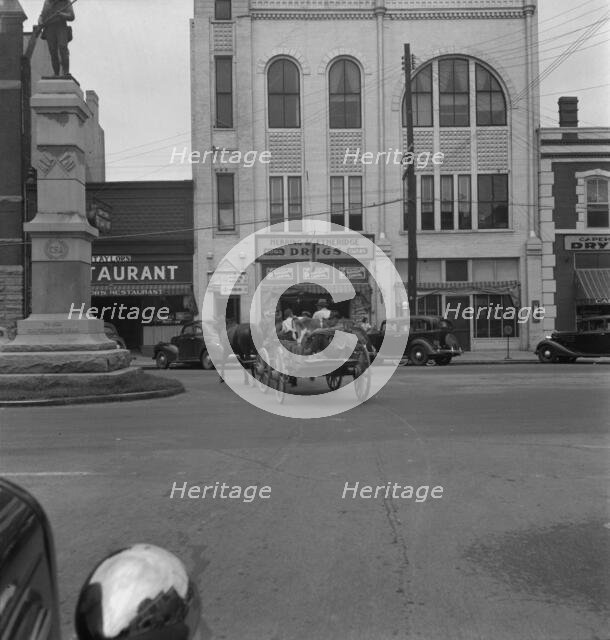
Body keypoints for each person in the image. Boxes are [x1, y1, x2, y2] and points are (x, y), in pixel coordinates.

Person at [37, 0, 75, 78]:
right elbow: (42, 15)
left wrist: (61, 14)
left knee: (63, 47)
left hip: (61, 26)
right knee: (52, 51)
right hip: (49, 28)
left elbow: (71, 16)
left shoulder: (66, 1)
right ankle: (56, 73)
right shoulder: (47, 2)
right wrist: (40, 20)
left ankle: (66, 72)